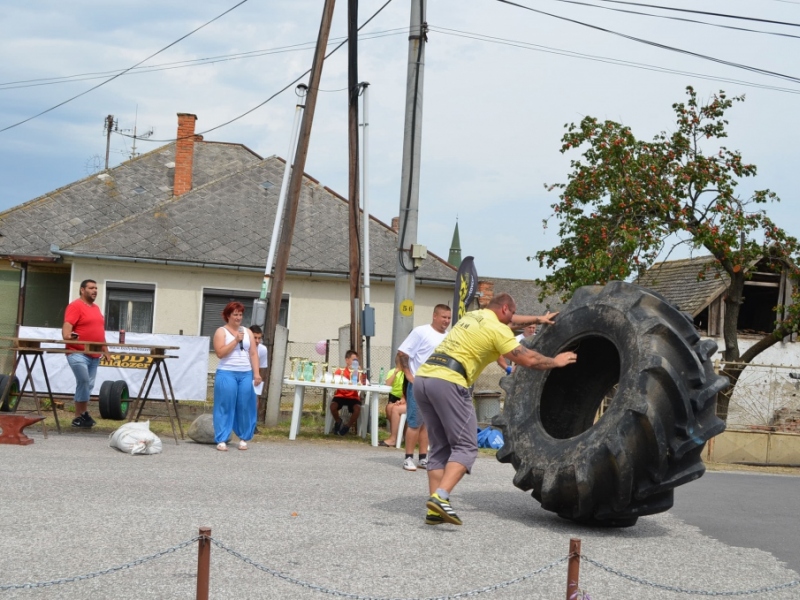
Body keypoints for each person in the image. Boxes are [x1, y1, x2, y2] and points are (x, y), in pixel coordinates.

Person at [414, 293, 577, 526]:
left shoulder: (473, 315)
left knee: (440, 447)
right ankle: (442, 497)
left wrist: (539, 319)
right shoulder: (497, 330)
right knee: (467, 447)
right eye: (511, 313)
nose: (513, 319)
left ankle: (433, 508)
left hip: (424, 378)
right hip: (449, 381)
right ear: (504, 310)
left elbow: (511, 319)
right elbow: (529, 360)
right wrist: (556, 361)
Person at [396, 304, 452, 471]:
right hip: (419, 384)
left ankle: (423, 457)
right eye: (444, 317)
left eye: (449, 318)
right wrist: (408, 375)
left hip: (436, 385)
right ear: (435, 316)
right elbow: (403, 352)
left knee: (428, 423)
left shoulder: (448, 337)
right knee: (415, 422)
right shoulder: (421, 331)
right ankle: (408, 458)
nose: (446, 321)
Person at [213, 302, 262, 451]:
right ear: (228, 316)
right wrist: (235, 341)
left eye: (240, 314)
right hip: (227, 372)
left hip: (245, 373)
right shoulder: (221, 332)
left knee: (245, 405)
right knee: (225, 405)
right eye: (235, 314)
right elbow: (220, 353)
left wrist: (257, 373)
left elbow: (253, 353)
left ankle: (243, 437)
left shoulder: (247, 332)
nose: (238, 317)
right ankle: (221, 438)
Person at [62, 279, 110, 428]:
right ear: (82, 290)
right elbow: (66, 330)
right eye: (91, 288)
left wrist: (106, 351)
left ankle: (83, 415)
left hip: (94, 355)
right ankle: (78, 416)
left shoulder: (95, 308)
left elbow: (100, 333)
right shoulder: (75, 306)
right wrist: (69, 336)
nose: (95, 290)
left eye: (96, 288)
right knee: (83, 381)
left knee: (88, 384)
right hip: (77, 352)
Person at [330, 350, 363, 436]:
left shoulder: (358, 372)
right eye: (353, 360)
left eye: (356, 360)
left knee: (357, 409)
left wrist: (359, 373)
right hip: (340, 395)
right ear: (347, 360)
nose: (355, 362)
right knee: (332, 406)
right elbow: (333, 380)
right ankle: (338, 421)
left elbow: (362, 384)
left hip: (353, 396)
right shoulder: (340, 371)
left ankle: (347, 426)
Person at [379, 357, 406, 447]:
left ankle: (396, 437)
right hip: (395, 395)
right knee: (389, 407)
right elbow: (388, 384)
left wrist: (403, 398)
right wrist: (395, 373)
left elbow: (406, 388)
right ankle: (396, 434)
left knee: (394, 408)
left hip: (404, 397)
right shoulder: (393, 372)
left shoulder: (408, 373)